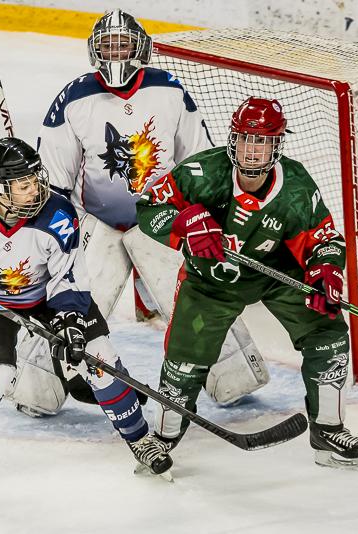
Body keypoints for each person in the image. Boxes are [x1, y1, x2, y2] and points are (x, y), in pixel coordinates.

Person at [16, 8, 269, 417]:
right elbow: (55, 178)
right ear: (94, 51)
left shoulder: (169, 89)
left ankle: (235, 378)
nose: (115, 53)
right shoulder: (74, 97)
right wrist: (53, 234)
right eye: (107, 46)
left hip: (162, 218)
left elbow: (199, 160)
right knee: (70, 305)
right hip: (95, 221)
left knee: (195, 298)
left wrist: (208, 215)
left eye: (123, 45)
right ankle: (34, 389)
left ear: (141, 48)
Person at [0, 137, 172, 504]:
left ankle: (140, 440)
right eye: (24, 185)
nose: (36, 189)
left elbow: (69, 276)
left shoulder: (58, 214)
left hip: (50, 298)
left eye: (35, 179)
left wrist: (70, 321)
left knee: (99, 359)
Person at [136, 97, 358, 470]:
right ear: (234, 138)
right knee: (184, 360)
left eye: (261, 141)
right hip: (211, 280)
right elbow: (150, 207)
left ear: (276, 144)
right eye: (246, 138)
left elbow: (324, 238)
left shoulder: (295, 186)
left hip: (278, 275)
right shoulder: (201, 172)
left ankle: (328, 429)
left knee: (328, 334)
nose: (251, 149)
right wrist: (183, 223)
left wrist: (326, 269)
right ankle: (163, 438)